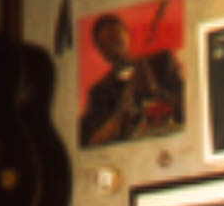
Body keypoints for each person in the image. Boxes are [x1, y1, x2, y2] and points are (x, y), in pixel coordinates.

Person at [78, 13, 184, 147]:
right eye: (106, 44)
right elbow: (87, 141)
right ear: (101, 51)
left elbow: (187, 106)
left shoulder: (162, 61)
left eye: (117, 40)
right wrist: (119, 118)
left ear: (126, 34)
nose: (114, 47)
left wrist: (156, 94)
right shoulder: (98, 93)